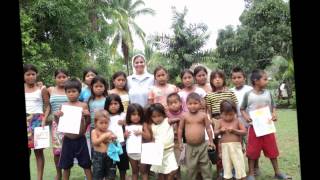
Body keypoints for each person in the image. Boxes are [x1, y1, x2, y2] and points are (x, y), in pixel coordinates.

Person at [241, 69, 291, 180]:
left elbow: (273, 106)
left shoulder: (268, 93)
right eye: (264, 79)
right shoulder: (248, 95)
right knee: (252, 151)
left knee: (272, 149)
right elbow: (242, 109)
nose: (267, 81)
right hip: (255, 128)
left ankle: (277, 172)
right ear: (256, 81)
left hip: (268, 128)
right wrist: (246, 117)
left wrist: (274, 114)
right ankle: (251, 174)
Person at [54, 78, 92, 180]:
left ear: (79, 92)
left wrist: (88, 115)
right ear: (65, 93)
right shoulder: (63, 106)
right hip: (67, 140)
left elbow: (88, 123)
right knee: (66, 166)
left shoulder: (83, 105)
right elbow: (59, 125)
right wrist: (56, 116)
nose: (71, 94)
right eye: (69, 92)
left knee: (87, 164)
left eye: (74, 91)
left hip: (81, 139)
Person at [230, 67, 261, 175]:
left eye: (239, 77)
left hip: (251, 121)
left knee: (252, 146)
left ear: (244, 78)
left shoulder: (250, 89)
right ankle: (237, 168)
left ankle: (255, 167)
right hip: (236, 122)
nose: (237, 79)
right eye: (234, 78)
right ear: (231, 79)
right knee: (236, 146)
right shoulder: (230, 91)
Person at [178, 92, 214, 180]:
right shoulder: (184, 116)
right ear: (186, 104)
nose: (193, 106)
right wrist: (180, 142)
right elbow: (180, 129)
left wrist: (211, 141)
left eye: (195, 103)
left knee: (205, 165)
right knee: (191, 167)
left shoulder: (203, 115)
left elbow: (208, 128)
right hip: (190, 146)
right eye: (190, 104)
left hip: (203, 145)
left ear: (200, 104)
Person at [24, 64, 50, 180]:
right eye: (28, 74)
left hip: (38, 121)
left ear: (36, 75)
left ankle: (39, 178)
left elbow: (47, 106)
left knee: (39, 152)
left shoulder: (41, 89)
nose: (30, 77)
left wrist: (44, 119)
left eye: (33, 74)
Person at [215, 100, 247, 180]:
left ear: (235, 113)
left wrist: (235, 131)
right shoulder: (220, 122)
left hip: (236, 148)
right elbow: (215, 133)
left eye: (231, 115)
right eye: (225, 115)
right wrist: (220, 131)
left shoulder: (237, 121)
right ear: (221, 113)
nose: (228, 117)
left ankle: (241, 177)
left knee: (239, 167)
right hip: (224, 148)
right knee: (227, 167)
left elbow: (244, 132)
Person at [146, 103, 178, 180]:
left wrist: (177, 131)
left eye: (159, 115)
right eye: (154, 116)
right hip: (159, 152)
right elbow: (153, 138)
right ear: (151, 117)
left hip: (169, 152)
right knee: (161, 171)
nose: (157, 118)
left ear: (163, 114)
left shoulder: (167, 121)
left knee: (173, 170)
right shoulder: (152, 126)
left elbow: (179, 119)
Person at [47, 69, 69, 180]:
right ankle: (58, 173)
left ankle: (66, 174)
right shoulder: (50, 90)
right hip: (56, 125)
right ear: (55, 78)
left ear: (68, 78)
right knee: (57, 152)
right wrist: (44, 119)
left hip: (70, 123)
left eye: (64, 77)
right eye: (59, 77)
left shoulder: (71, 89)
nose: (61, 79)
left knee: (68, 150)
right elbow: (47, 106)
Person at [104, 94, 130, 180]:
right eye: (111, 104)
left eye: (116, 103)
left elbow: (129, 127)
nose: (113, 106)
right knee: (111, 168)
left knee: (123, 168)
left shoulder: (123, 115)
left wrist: (124, 124)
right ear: (107, 105)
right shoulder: (105, 116)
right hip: (110, 147)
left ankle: (123, 178)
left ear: (120, 104)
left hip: (122, 146)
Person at [125, 103, 152, 180]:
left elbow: (149, 137)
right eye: (133, 114)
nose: (136, 117)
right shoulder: (127, 124)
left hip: (142, 152)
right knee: (134, 171)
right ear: (129, 115)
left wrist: (141, 132)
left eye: (138, 115)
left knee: (144, 171)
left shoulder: (143, 124)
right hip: (131, 152)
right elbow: (123, 137)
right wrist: (125, 135)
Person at [91, 109, 117, 180]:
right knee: (97, 175)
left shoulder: (110, 131)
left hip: (110, 156)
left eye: (106, 123)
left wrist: (114, 138)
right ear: (96, 122)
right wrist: (105, 136)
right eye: (101, 123)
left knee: (110, 175)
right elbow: (95, 142)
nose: (104, 125)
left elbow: (114, 141)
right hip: (98, 157)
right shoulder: (94, 132)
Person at [166, 93, 184, 180]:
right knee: (170, 163)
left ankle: (178, 177)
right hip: (169, 142)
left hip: (179, 142)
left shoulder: (184, 114)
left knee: (178, 162)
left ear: (180, 103)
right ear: (167, 105)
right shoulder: (166, 115)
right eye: (170, 103)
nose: (173, 105)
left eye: (175, 102)